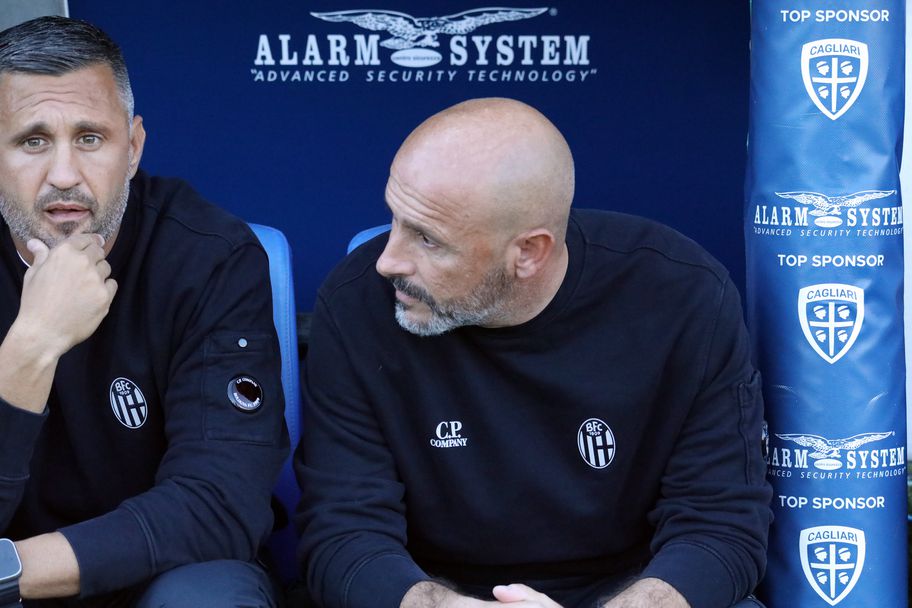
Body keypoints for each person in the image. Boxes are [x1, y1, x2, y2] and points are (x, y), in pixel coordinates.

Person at [295, 97, 772, 608]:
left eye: (428, 240)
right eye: (395, 219)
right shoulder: (358, 302)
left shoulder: (681, 295)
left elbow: (721, 525)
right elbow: (343, 531)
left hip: (634, 590)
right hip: (433, 593)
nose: (388, 261)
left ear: (528, 252)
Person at [0, 16, 288, 607]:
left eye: (90, 138)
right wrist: (32, 346)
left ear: (132, 148)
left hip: (157, 576)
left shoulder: (209, 256)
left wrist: (10, 570)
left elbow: (219, 503)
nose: (64, 175)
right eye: (33, 141)